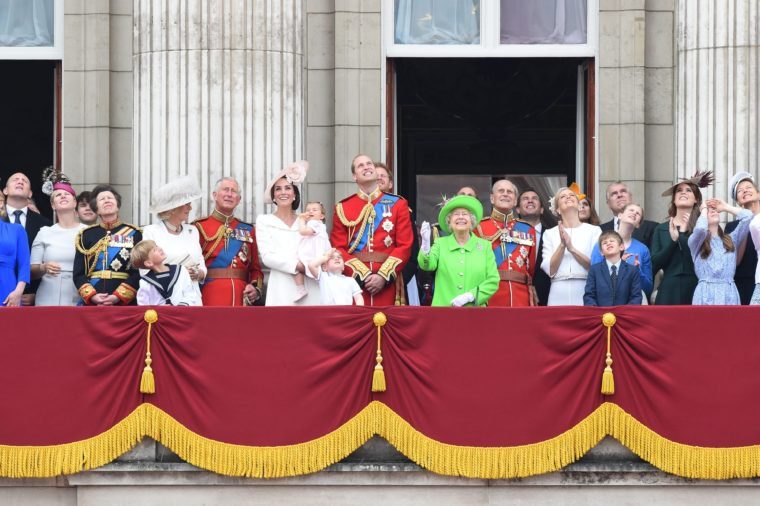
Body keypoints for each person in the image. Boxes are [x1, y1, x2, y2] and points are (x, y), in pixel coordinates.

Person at [330, 154, 413, 306]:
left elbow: (405, 246)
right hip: (355, 285)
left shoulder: (398, 204)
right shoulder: (343, 207)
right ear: (354, 176)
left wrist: (383, 276)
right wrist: (363, 275)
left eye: (369, 164)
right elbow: (338, 248)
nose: (367, 166)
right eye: (360, 165)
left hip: (387, 283)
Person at [256, 161, 321, 306]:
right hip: (281, 285)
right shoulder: (264, 221)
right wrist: (298, 266)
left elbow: (320, 247)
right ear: (273, 196)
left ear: (294, 195)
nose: (283, 192)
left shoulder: (307, 221)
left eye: (287, 188)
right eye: (278, 189)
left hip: (310, 284)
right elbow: (267, 257)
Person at [418, 195, 499, 307]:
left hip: (475, 313)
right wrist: (425, 245)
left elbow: (493, 281)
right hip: (444, 313)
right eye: (456, 214)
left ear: (472, 221)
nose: (461, 217)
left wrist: (471, 296)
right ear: (449, 222)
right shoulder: (440, 244)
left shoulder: (485, 247)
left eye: (465, 214)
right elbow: (427, 266)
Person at [195, 177, 263, 306]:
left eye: (233, 191)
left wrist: (255, 287)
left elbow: (256, 268)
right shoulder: (198, 227)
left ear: (238, 200)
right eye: (225, 190)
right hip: (209, 295)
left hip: (241, 296)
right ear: (215, 195)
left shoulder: (248, 229)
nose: (229, 194)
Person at [73, 185, 142, 305]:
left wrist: (119, 296)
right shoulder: (86, 235)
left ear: (117, 205)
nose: (106, 200)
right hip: (94, 297)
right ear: (96, 209)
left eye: (110, 198)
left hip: (123, 300)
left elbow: (139, 271)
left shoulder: (134, 233)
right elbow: (79, 273)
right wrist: (92, 296)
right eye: (102, 199)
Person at [651, 171, 711, 305]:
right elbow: (654, 264)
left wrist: (685, 233)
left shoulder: (702, 228)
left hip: (696, 288)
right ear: (673, 199)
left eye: (688, 190)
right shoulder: (661, 229)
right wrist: (673, 241)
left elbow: (706, 258)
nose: (683, 192)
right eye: (679, 190)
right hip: (668, 289)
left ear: (696, 199)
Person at [474, 179, 537, 306]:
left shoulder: (528, 229)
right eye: (501, 191)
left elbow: (530, 269)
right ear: (492, 198)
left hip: (521, 296)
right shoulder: (479, 227)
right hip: (491, 294)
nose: (505, 194)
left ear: (515, 201)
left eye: (510, 192)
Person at [143, 177, 206, 301]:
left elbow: (201, 264)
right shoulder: (151, 231)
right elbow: (145, 271)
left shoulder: (192, 230)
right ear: (173, 208)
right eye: (186, 204)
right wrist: (179, 274)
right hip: (167, 297)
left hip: (193, 298)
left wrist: (199, 274)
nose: (190, 208)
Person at [30, 176, 87, 306]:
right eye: (58, 195)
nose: (63, 196)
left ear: (75, 203)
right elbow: (32, 271)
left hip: (79, 293)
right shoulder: (44, 232)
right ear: (52, 205)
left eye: (67, 194)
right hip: (47, 295)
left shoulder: (87, 232)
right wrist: (43, 267)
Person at [541, 186, 602, 306]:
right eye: (563, 197)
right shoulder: (549, 233)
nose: (568, 197)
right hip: (558, 290)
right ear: (558, 209)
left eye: (572, 195)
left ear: (579, 206)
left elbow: (596, 266)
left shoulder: (594, 231)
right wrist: (562, 245)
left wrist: (572, 249)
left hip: (585, 288)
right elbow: (550, 270)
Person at [688, 198, 752, 305]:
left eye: (714, 209)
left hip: (729, 294)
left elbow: (748, 216)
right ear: (700, 217)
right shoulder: (696, 242)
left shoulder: (731, 239)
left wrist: (726, 207)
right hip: (705, 294)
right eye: (708, 210)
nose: (713, 211)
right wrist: (703, 209)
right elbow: (700, 229)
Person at [375, 162, 422, 306]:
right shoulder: (357, 211)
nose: (379, 178)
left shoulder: (401, 209)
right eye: (375, 176)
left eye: (382, 176)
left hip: (396, 280)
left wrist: (393, 279)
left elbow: (412, 253)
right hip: (367, 280)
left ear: (390, 184)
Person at [3, 172, 53, 305]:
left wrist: (38, 294)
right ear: (5, 190)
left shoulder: (45, 224)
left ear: (30, 193)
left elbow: (48, 261)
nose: (20, 182)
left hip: (31, 298)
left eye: (24, 181)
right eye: (15, 179)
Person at [590, 203, 653, 299]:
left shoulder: (643, 249)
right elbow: (594, 278)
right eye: (631, 210)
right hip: (606, 300)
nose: (634, 213)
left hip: (634, 301)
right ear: (620, 215)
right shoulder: (603, 244)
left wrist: (638, 271)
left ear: (638, 224)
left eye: (638, 213)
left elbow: (648, 288)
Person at [131, 240, 202, 306]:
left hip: (182, 314)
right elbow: (143, 307)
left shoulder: (181, 270)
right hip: (160, 318)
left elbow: (190, 294)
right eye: (154, 250)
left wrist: (181, 306)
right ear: (149, 263)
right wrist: (159, 309)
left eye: (157, 246)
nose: (160, 248)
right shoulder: (145, 282)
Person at [517, 188, 556, 306]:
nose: (530, 201)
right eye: (525, 199)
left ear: (542, 210)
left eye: (534, 199)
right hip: (517, 296)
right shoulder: (508, 236)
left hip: (547, 297)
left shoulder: (554, 235)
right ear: (517, 209)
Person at [725, 172, 760, 304]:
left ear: (758, 194)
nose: (745, 190)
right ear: (738, 202)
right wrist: (744, 224)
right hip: (743, 282)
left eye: (749, 187)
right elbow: (734, 261)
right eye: (740, 190)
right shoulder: (731, 227)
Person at [584, 231, 642, 306]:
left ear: (621, 247)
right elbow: (589, 296)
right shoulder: (594, 270)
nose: (608, 243)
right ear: (601, 252)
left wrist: (625, 313)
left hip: (624, 315)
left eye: (612, 241)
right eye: (604, 243)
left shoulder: (632, 270)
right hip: (600, 315)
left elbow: (636, 297)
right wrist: (597, 313)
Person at [600, 181, 658, 248]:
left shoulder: (652, 228)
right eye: (614, 193)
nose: (619, 195)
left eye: (623, 191)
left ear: (631, 197)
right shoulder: (599, 230)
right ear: (608, 204)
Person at [294, 201, 331, 301]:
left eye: (315, 210)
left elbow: (303, 232)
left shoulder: (315, 224)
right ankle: (301, 288)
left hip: (312, 254)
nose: (311, 211)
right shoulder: (315, 224)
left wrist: (301, 220)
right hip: (312, 252)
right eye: (308, 210)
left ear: (322, 216)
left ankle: (300, 288)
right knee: (297, 266)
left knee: (296, 266)